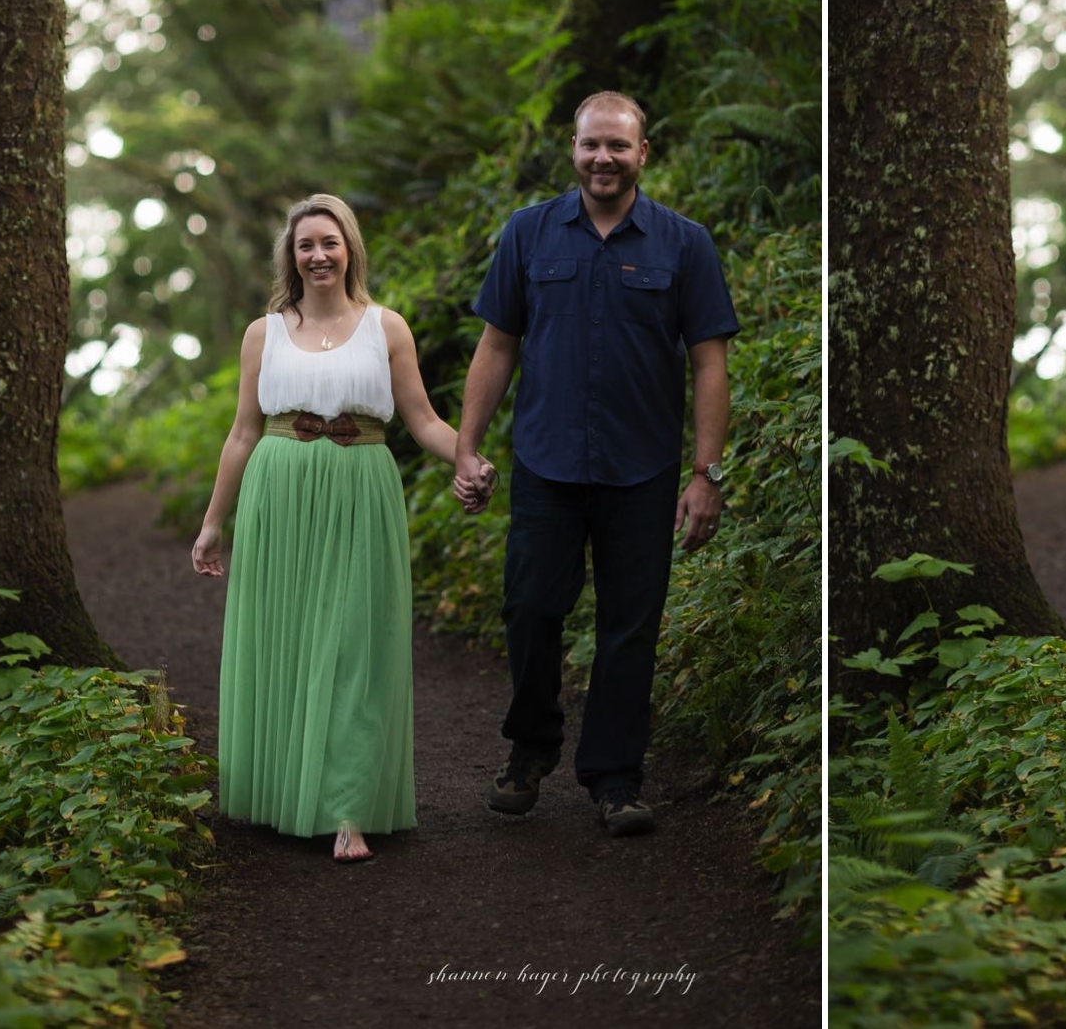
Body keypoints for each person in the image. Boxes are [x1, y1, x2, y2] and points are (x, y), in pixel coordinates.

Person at [452, 91, 738, 839]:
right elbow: (497, 346)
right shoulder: (528, 233)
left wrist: (706, 475)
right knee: (531, 609)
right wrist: (466, 446)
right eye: (590, 146)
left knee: (628, 628)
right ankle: (531, 748)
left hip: (642, 470)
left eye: (618, 145)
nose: (603, 158)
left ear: (644, 153)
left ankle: (615, 777)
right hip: (547, 462)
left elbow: (710, 362)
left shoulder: (685, 244)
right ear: (572, 151)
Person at [191, 194, 485, 863]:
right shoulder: (263, 333)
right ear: (290, 258)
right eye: (305, 246)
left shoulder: (386, 327)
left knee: (355, 643)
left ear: (349, 248)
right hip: (279, 489)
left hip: (361, 488)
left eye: (329, 242)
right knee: (290, 639)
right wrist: (214, 524)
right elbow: (240, 434)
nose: (318, 254)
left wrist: (467, 457)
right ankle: (287, 792)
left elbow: (424, 421)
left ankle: (349, 809)